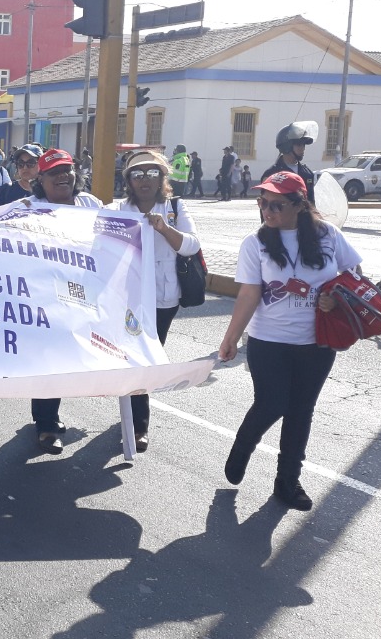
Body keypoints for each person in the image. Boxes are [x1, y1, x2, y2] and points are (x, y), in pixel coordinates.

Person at [218, 171, 362, 511]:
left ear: (299, 205)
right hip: (269, 341)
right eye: (262, 203)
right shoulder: (255, 243)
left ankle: (287, 482)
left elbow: (354, 275)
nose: (267, 211)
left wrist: (335, 296)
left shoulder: (328, 235)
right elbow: (249, 293)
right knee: (272, 403)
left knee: (300, 411)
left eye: (276, 205)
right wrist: (231, 338)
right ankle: (243, 446)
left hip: (317, 342)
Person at [107, 152, 201, 452]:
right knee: (133, 358)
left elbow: (191, 245)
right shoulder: (118, 209)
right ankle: (135, 419)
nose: (144, 180)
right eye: (138, 174)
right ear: (129, 180)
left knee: (146, 358)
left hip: (162, 298)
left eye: (152, 174)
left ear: (162, 178)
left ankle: (136, 421)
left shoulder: (174, 208)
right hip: (127, 298)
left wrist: (164, 229)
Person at [22, 148, 104, 454]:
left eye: (67, 170)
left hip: (84, 293)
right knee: (50, 359)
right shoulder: (30, 207)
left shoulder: (90, 204)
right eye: (54, 172)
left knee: (72, 357)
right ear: (41, 180)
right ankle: (46, 424)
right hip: (45, 296)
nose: (62, 177)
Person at [261, 123, 317, 202]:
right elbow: (266, 204)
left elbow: (311, 202)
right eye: (299, 145)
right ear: (287, 146)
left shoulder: (307, 173)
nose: (303, 148)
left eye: (304, 145)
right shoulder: (272, 174)